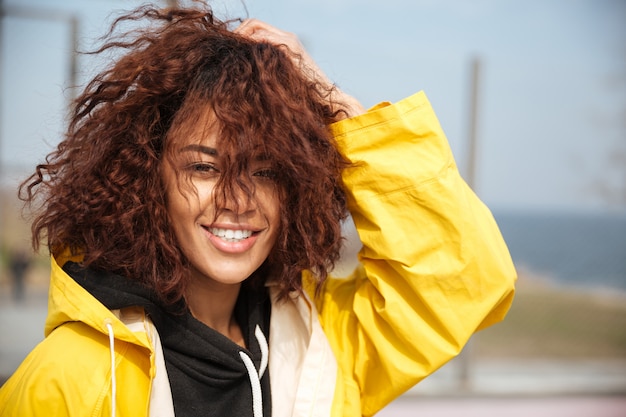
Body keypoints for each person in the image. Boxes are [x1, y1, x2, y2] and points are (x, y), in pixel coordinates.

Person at [0, 4, 516, 417]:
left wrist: (332, 102)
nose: (236, 200)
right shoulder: (73, 376)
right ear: (145, 176)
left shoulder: (323, 343)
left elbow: (466, 278)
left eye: (266, 171)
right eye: (203, 168)